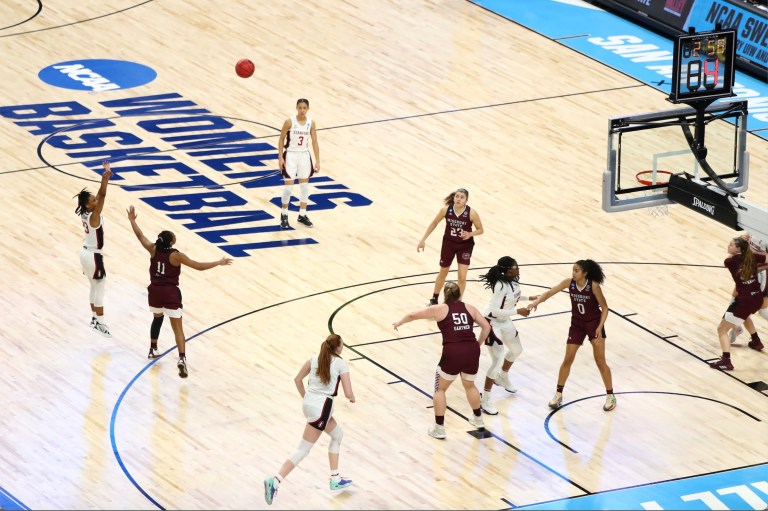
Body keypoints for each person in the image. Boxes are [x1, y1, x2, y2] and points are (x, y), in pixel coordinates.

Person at [126, 205, 233, 378]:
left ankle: (153, 348)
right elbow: (198, 267)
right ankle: (182, 359)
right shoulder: (177, 256)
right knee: (178, 329)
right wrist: (217, 262)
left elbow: (140, 236)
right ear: (171, 242)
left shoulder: (152, 249)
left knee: (157, 318)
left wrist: (132, 220)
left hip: (154, 292)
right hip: (170, 293)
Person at [263, 334, 355, 506]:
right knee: (303, 450)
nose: (343, 347)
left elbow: (297, 380)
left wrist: (307, 398)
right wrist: (352, 398)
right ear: (338, 348)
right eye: (342, 345)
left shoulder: (313, 359)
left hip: (309, 405)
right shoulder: (341, 364)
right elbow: (348, 393)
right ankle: (275, 481)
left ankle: (335, 478)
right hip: (322, 408)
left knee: (337, 435)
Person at [393, 281, 491, 439]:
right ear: (460, 294)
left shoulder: (440, 309)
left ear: (445, 295)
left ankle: (439, 428)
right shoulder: (470, 308)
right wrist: (477, 344)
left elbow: (413, 315)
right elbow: (486, 327)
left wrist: (400, 322)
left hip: (452, 352)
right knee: (470, 385)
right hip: (472, 351)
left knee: (440, 390)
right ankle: (478, 419)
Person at [528, 260, 616, 412]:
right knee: (568, 359)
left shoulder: (593, 286)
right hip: (577, 325)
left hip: (594, 325)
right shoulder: (569, 283)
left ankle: (611, 396)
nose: (573, 273)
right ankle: (558, 394)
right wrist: (537, 301)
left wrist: (600, 327)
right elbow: (549, 292)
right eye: (573, 270)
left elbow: (605, 308)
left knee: (600, 361)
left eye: (576, 270)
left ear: (585, 273)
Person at [478, 256, 539, 415]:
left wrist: (528, 298)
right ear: (507, 270)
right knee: (497, 359)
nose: (518, 269)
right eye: (515, 267)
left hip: (505, 321)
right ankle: (485, 398)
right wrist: (518, 311)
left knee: (516, 350)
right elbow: (493, 311)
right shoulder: (499, 286)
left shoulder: (514, 281)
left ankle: (503, 376)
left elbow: (513, 297)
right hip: (491, 322)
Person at [417, 188, 483, 305]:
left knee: (462, 276)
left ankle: (458, 303)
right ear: (454, 198)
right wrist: (423, 239)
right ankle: (434, 299)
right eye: (457, 196)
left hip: (465, 246)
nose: (458, 199)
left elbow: (481, 230)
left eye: (462, 197)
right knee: (443, 271)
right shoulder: (446, 210)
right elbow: (434, 222)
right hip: (449, 244)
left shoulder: (472, 213)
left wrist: (470, 234)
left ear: (466, 200)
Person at [710, 236, 767, 370]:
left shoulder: (729, 261)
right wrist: (760, 268)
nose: (728, 246)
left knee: (721, 329)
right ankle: (756, 341)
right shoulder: (753, 258)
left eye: (731, 245)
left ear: (739, 248)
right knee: (744, 315)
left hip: (744, 300)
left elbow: (741, 262)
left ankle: (726, 360)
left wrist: (743, 239)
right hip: (757, 297)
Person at [75, 161, 113, 337]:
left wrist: (105, 175)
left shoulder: (85, 211)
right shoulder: (94, 215)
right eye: (93, 200)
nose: (96, 200)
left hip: (85, 253)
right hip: (93, 255)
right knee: (100, 287)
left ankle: (93, 318)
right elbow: (103, 195)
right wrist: (105, 177)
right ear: (89, 205)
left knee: (93, 286)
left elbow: (99, 196)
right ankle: (100, 322)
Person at [277, 98, 320, 230]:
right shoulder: (289, 121)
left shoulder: (311, 123)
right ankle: (284, 215)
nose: (302, 110)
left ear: (308, 109)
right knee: (288, 188)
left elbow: (314, 142)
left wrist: (317, 160)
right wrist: (280, 157)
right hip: (290, 155)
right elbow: (281, 138)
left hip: (304, 156)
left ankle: (302, 215)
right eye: (300, 108)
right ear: (297, 108)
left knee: (305, 187)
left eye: (304, 108)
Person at [728, 232, 768, 345]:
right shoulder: (753, 226)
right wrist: (742, 240)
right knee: (737, 301)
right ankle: (751, 337)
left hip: (761, 276)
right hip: (747, 272)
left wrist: (756, 266)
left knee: (762, 311)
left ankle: (738, 328)